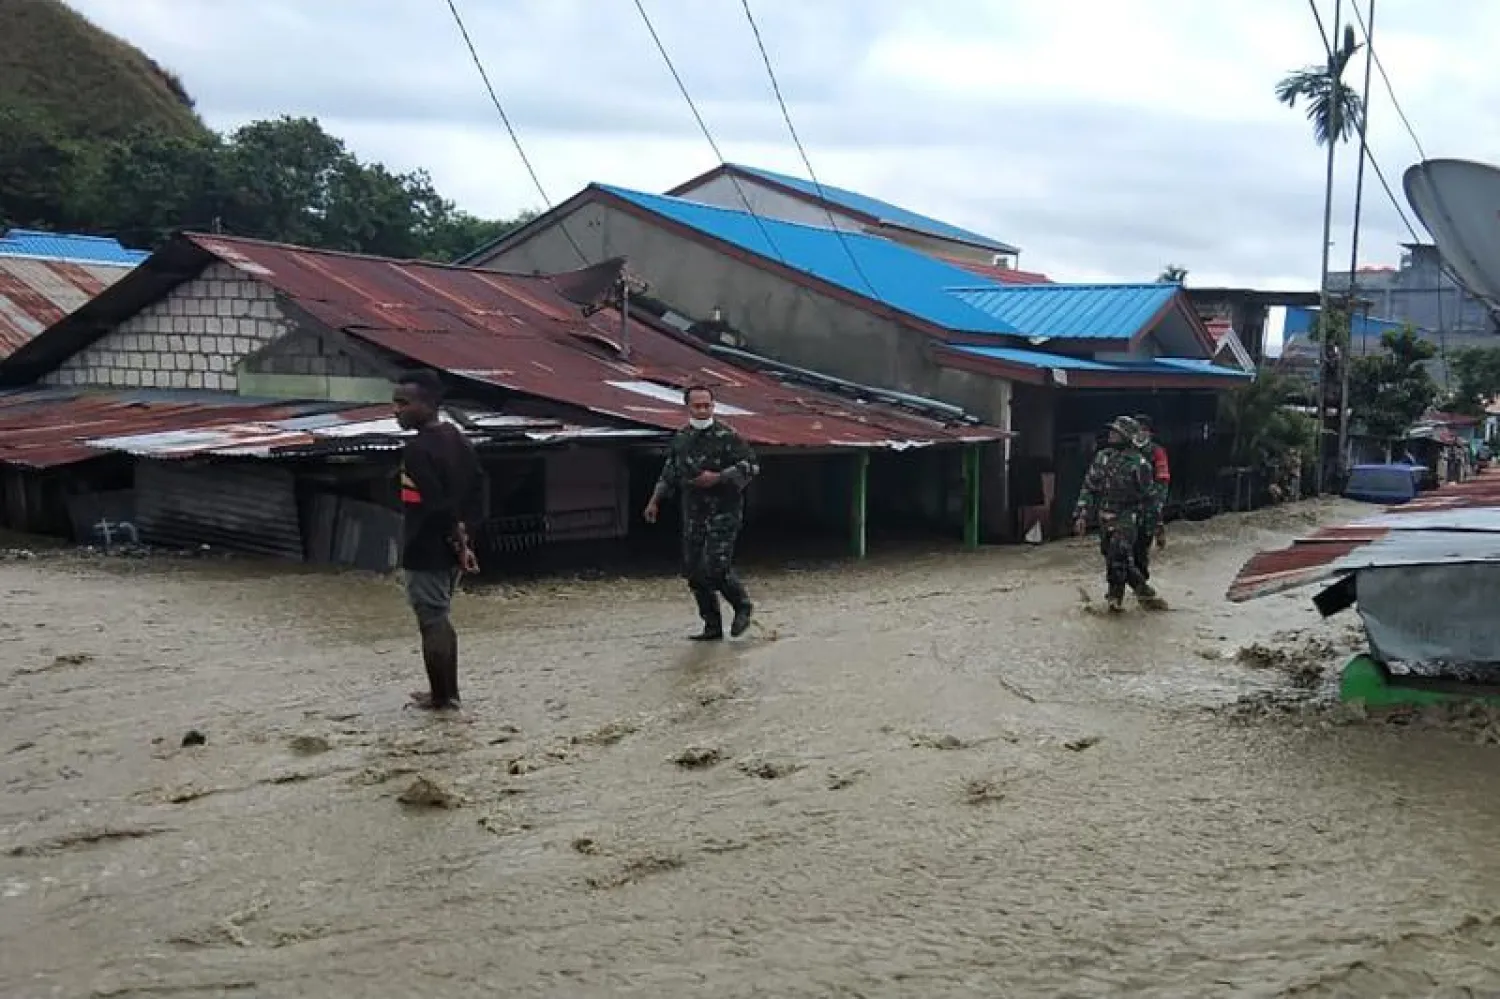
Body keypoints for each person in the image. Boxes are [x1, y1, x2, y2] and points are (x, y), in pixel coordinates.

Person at [393, 370, 483, 711]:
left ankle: (442, 699)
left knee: (432, 621)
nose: (396, 410)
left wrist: (459, 542)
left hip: (427, 547)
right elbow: (477, 489)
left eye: (403, 403)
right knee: (440, 617)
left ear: (427, 405)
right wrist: (466, 539)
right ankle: (449, 693)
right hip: (450, 546)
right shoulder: (457, 438)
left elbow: (435, 502)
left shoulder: (418, 449)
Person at [643, 384, 759, 640]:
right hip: (694, 512)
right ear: (688, 407)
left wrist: (719, 477)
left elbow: (750, 466)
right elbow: (669, 471)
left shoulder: (727, 435)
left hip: (724, 511)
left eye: (708, 405)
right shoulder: (682, 438)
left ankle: (742, 606)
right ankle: (712, 626)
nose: (703, 410)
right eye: (698, 406)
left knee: (715, 568)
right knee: (694, 573)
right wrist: (654, 501)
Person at [1072, 416, 1167, 613]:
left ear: (1126, 436)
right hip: (1105, 515)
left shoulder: (1139, 464)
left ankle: (1115, 601)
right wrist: (1081, 514)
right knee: (1113, 557)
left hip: (1127, 516)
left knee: (1118, 554)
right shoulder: (1102, 457)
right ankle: (1143, 591)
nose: (1111, 434)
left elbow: (1150, 498)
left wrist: (1157, 526)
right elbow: (1089, 486)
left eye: (1116, 432)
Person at [1132, 414, 1171, 575]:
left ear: (1149, 432)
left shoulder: (1156, 451)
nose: (1140, 433)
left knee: (1141, 548)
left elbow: (1162, 481)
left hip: (1148, 505)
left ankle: (1141, 583)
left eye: (1143, 429)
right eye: (1137, 429)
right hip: (1127, 506)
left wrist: (1157, 507)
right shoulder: (1127, 450)